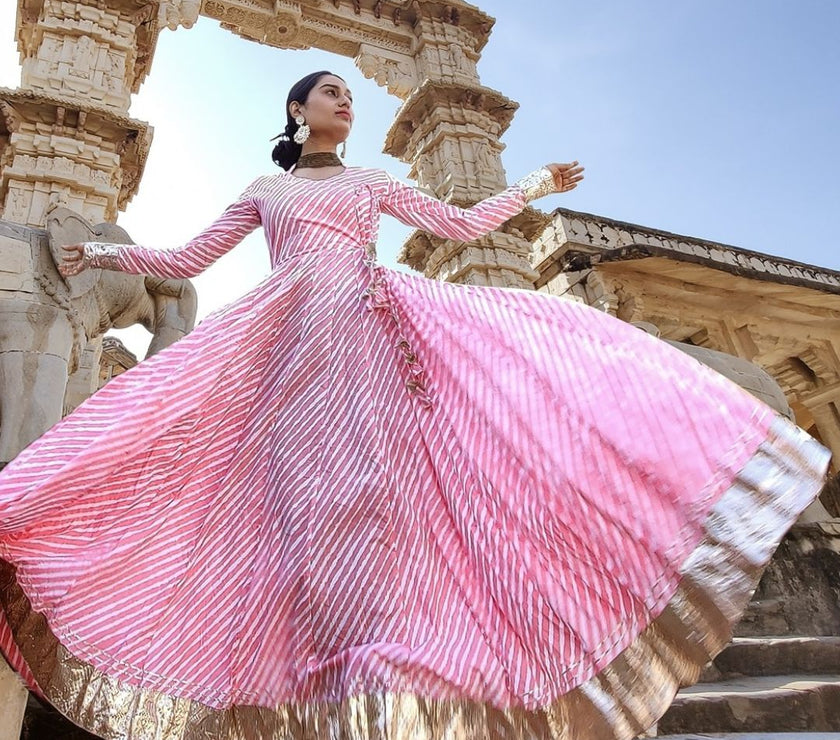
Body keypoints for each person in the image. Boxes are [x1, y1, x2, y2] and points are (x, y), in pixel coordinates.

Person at [0, 70, 829, 740]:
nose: (344, 103)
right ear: (298, 111)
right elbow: (190, 254)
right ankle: (308, 694)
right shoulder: (265, 188)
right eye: (330, 93)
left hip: (370, 338)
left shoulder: (371, 181)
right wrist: (107, 250)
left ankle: (386, 692)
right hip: (287, 352)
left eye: (350, 97)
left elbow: (459, 229)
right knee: (298, 515)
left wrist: (534, 182)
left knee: (380, 506)